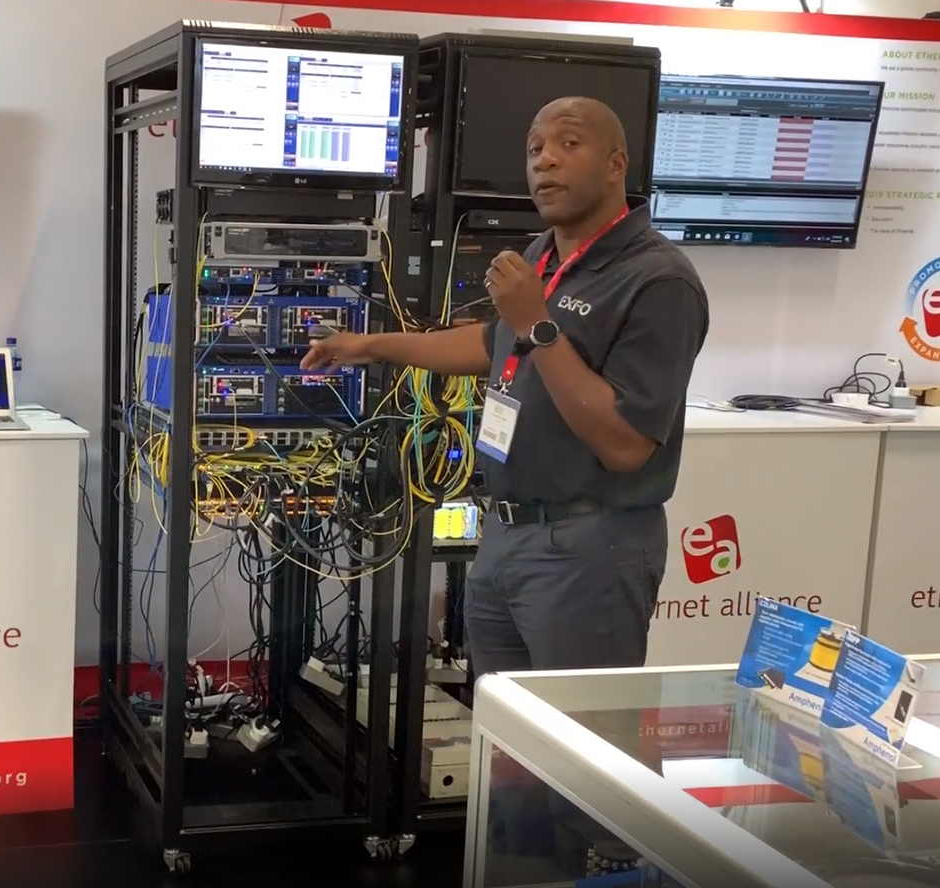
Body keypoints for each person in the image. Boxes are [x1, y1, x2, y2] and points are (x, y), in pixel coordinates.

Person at [301, 96, 710, 673]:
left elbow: (625, 445)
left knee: (573, 728)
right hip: (505, 535)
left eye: (568, 144)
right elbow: (489, 345)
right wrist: (370, 345)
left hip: (590, 546)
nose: (545, 160)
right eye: (534, 148)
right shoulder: (543, 255)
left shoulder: (659, 281)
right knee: (502, 723)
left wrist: (535, 323)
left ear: (616, 165)